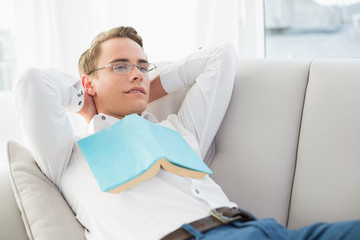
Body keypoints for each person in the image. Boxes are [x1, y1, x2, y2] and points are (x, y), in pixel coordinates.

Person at [14, 26, 359, 240]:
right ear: (88, 82)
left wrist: (145, 87)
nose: (137, 74)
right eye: (121, 66)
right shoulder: (70, 154)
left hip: (261, 229)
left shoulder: (176, 132)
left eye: (143, 66)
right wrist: (86, 103)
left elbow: (219, 58)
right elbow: (32, 83)